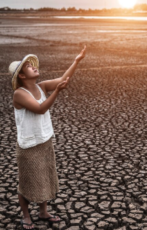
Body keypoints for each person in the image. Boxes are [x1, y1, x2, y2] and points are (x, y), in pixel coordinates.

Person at [9, 45, 87, 229]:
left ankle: (43, 212)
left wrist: (76, 61)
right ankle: (26, 216)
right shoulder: (19, 94)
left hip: (44, 141)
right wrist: (57, 92)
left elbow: (63, 79)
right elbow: (40, 108)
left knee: (45, 178)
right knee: (27, 182)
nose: (34, 67)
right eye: (29, 66)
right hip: (28, 146)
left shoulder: (41, 86)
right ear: (21, 75)